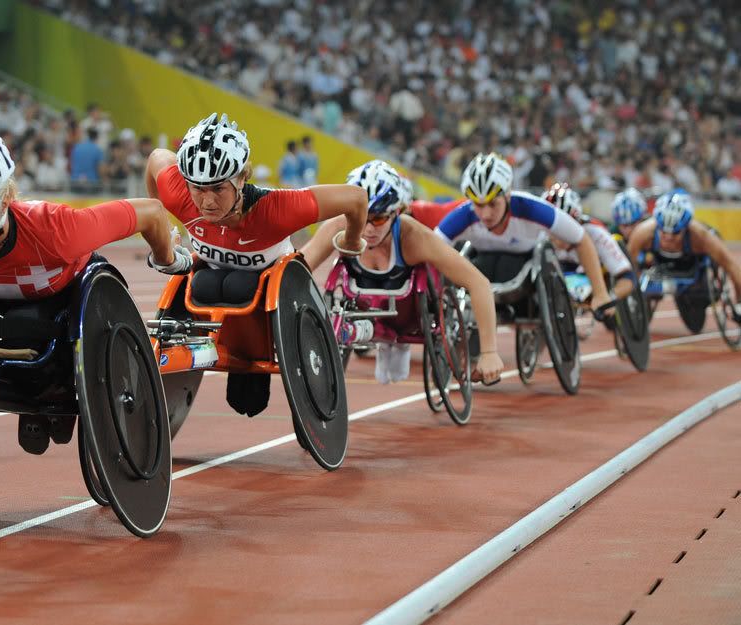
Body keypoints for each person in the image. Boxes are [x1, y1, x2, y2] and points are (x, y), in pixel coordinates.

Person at [0, 121, 191, 454]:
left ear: (3, 202)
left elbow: (151, 212)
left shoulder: (57, 229)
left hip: (60, 299)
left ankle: (51, 394)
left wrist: (169, 260)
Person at [144, 112, 368, 417]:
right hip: (210, 284)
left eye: (219, 189)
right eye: (198, 188)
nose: (207, 201)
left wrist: (353, 241)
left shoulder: (278, 209)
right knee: (204, 283)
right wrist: (161, 223)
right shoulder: (181, 196)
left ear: (242, 178)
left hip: (269, 298)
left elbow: (356, 198)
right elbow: (157, 158)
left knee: (237, 285)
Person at [301, 160, 504, 386]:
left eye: (378, 219)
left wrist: (489, 352)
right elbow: (298, 268)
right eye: (359, 216)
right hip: (366, 314)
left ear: (397, 212)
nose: (368, 228)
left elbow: (478, 282)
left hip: (410, 316)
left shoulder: (413, 237)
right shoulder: (338, 227)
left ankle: (395, 345)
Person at [435, 153, 613, 317]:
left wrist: (600, 293)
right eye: (478, 205)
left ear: (507, 195)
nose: (485, 214)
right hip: (482, 269)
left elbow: (581, 239)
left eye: (493, 204)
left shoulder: (533, 208)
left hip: (525, 272)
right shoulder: (463, 215)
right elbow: (431, 247)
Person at [626, 189, 741, 322]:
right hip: (660, 263)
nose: (668, 237)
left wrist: (739, 302)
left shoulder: (701, 236)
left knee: (701, 299)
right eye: (663, 232)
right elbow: (628, 265)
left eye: (675, 233)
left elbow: (731, 266)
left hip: (693, 265)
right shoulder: (642, 233)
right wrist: (631, 294)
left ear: (686, 228)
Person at [542, 182, 635, 301]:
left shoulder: (596, 233)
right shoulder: (539, 234)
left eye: (565, 227)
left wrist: (608, 299)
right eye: (553, 228)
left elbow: (627, 277)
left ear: (577, 222)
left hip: (598, 272)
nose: (560, 234)